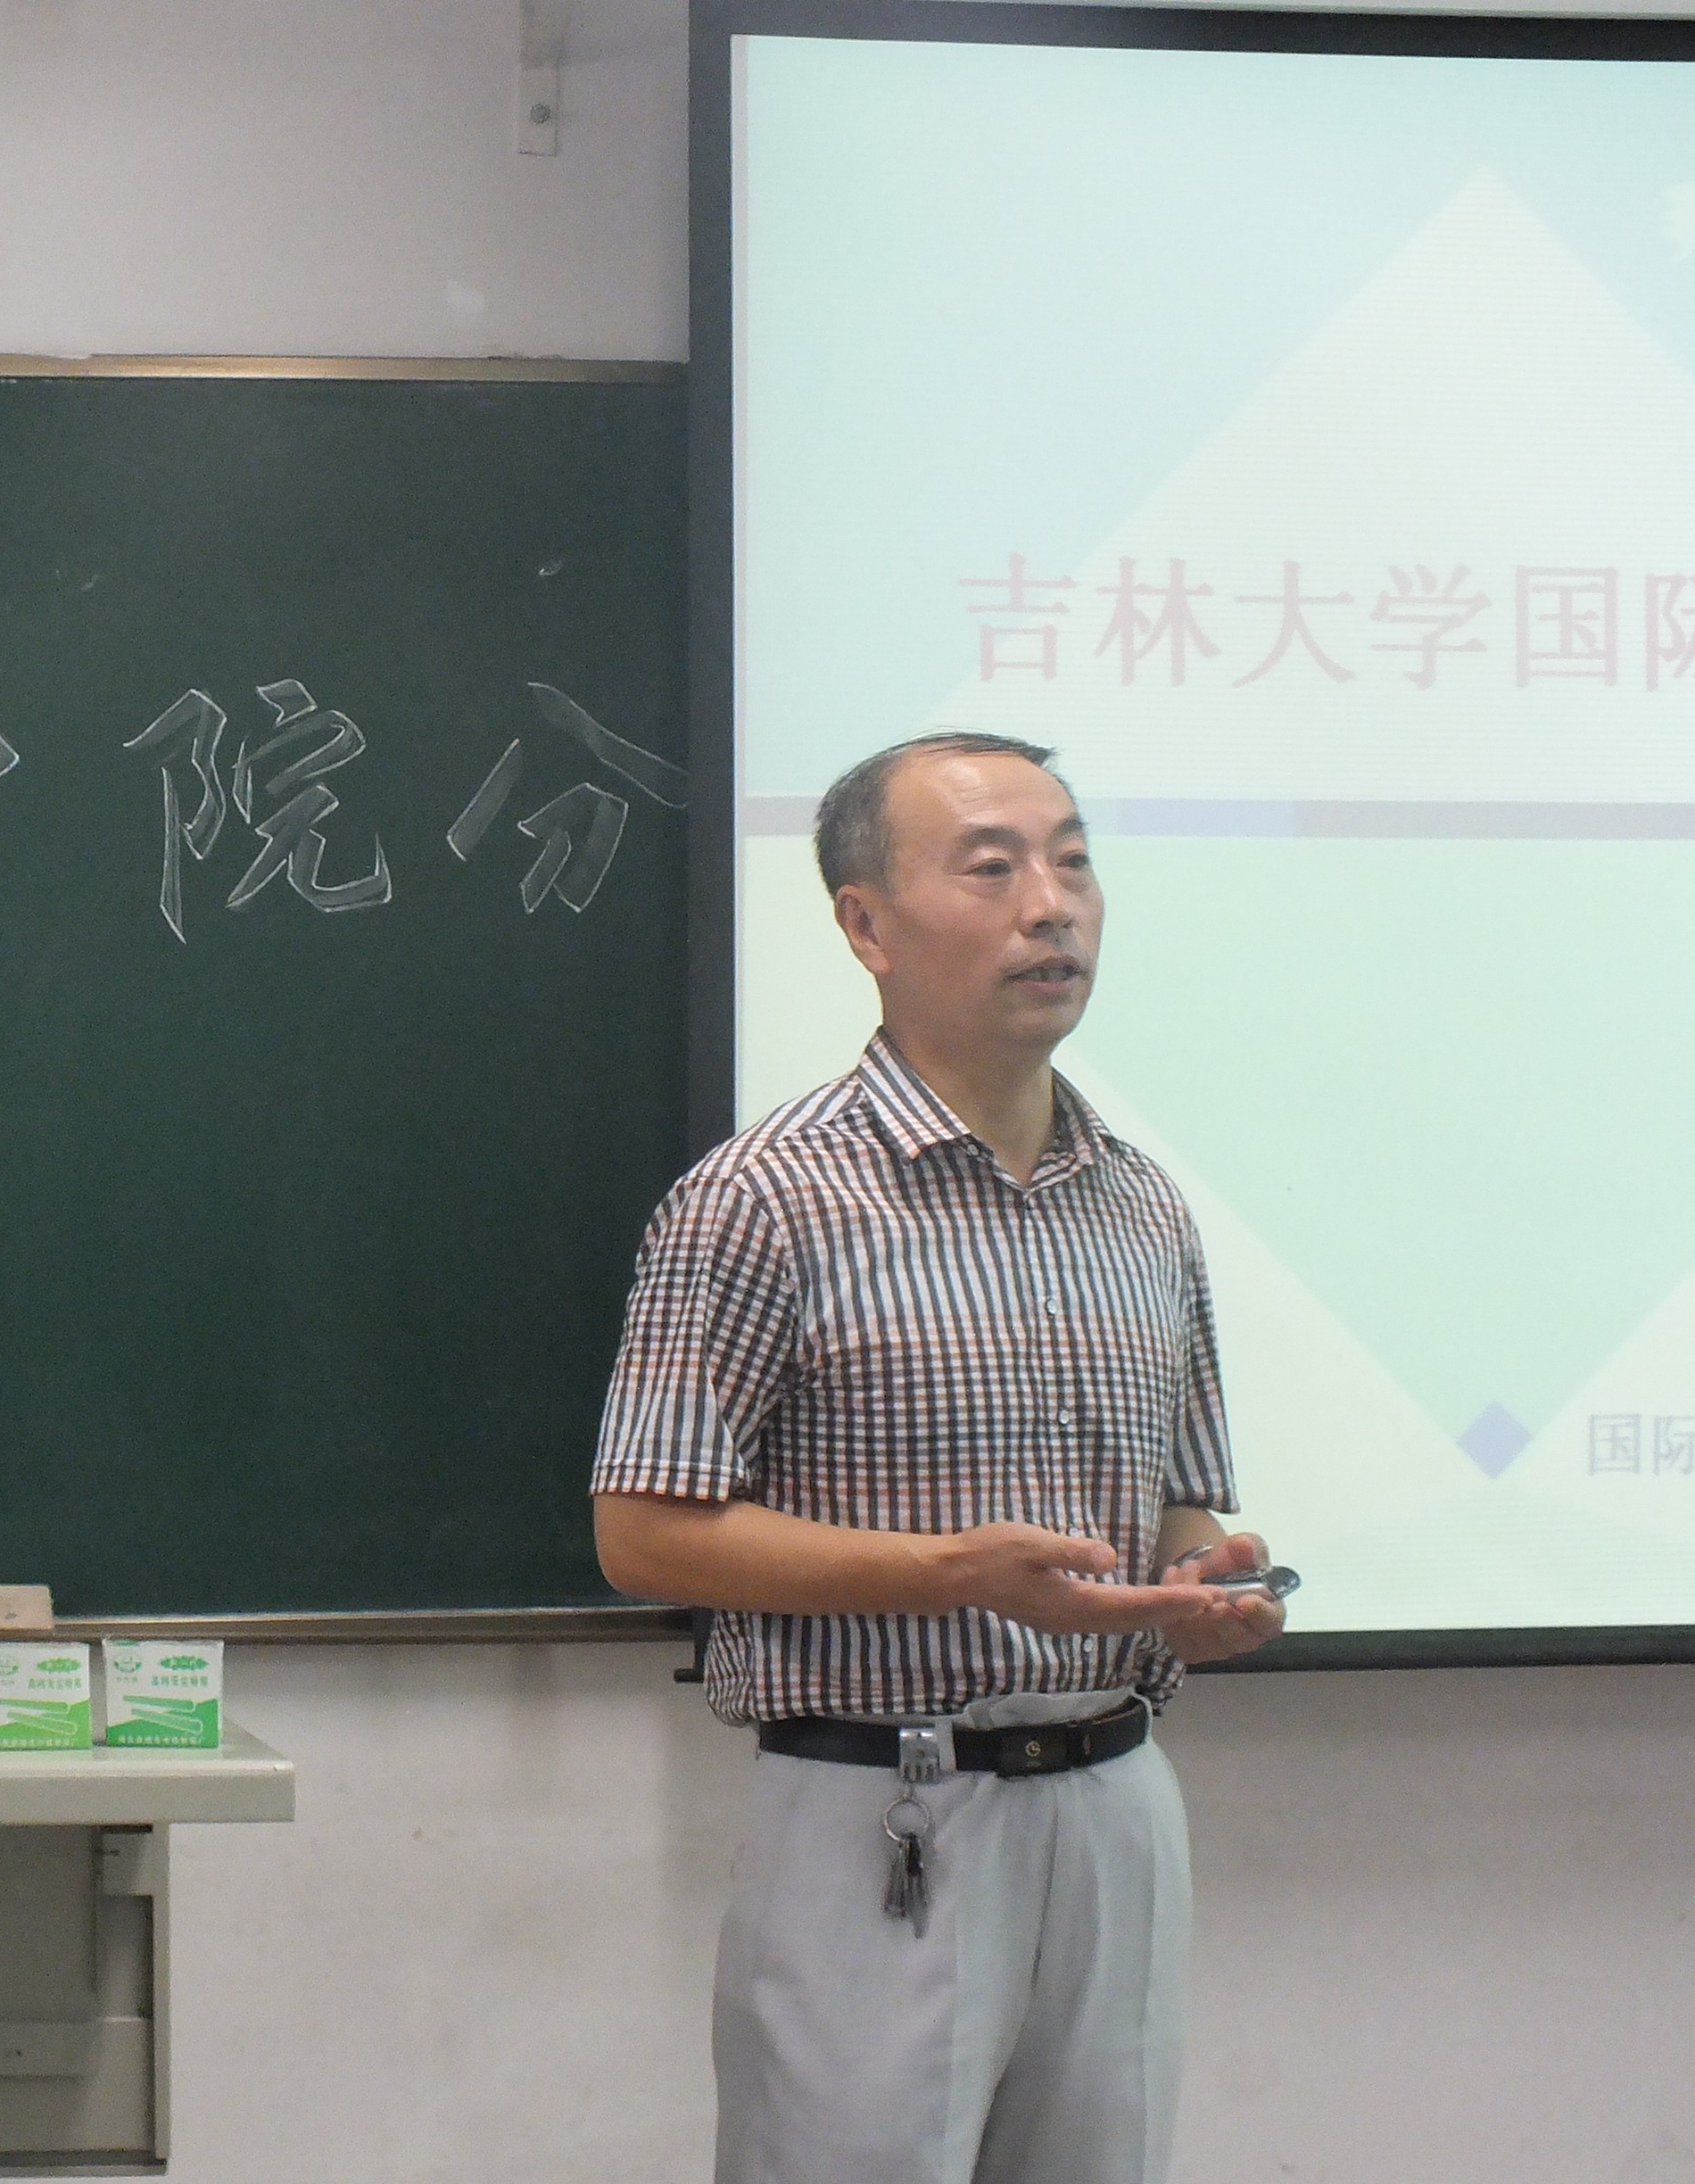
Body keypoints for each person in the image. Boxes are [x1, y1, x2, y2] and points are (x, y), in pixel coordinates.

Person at [591, 731, 1282, 2184]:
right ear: (866, 925)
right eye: (993, 868)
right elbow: (643, 1533)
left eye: (1074, 862)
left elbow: (1179, 1505)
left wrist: (1203, 1582)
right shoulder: (763, 1198)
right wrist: (954, 1574)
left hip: (1116, 1799)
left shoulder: (1144, 1205)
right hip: (881, 1809)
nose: (1052, 905)